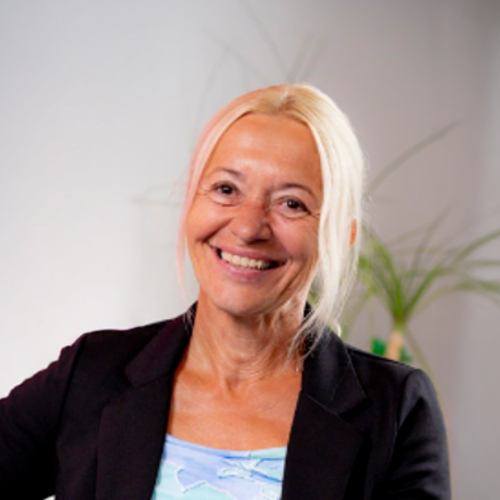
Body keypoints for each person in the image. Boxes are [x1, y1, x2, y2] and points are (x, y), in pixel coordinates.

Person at [0, 84, 450, 499]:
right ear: (191, 202)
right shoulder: (90, 374)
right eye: (226, 189)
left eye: (291, 203)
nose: (249, 227)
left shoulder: (395, 409)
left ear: (341, 236)